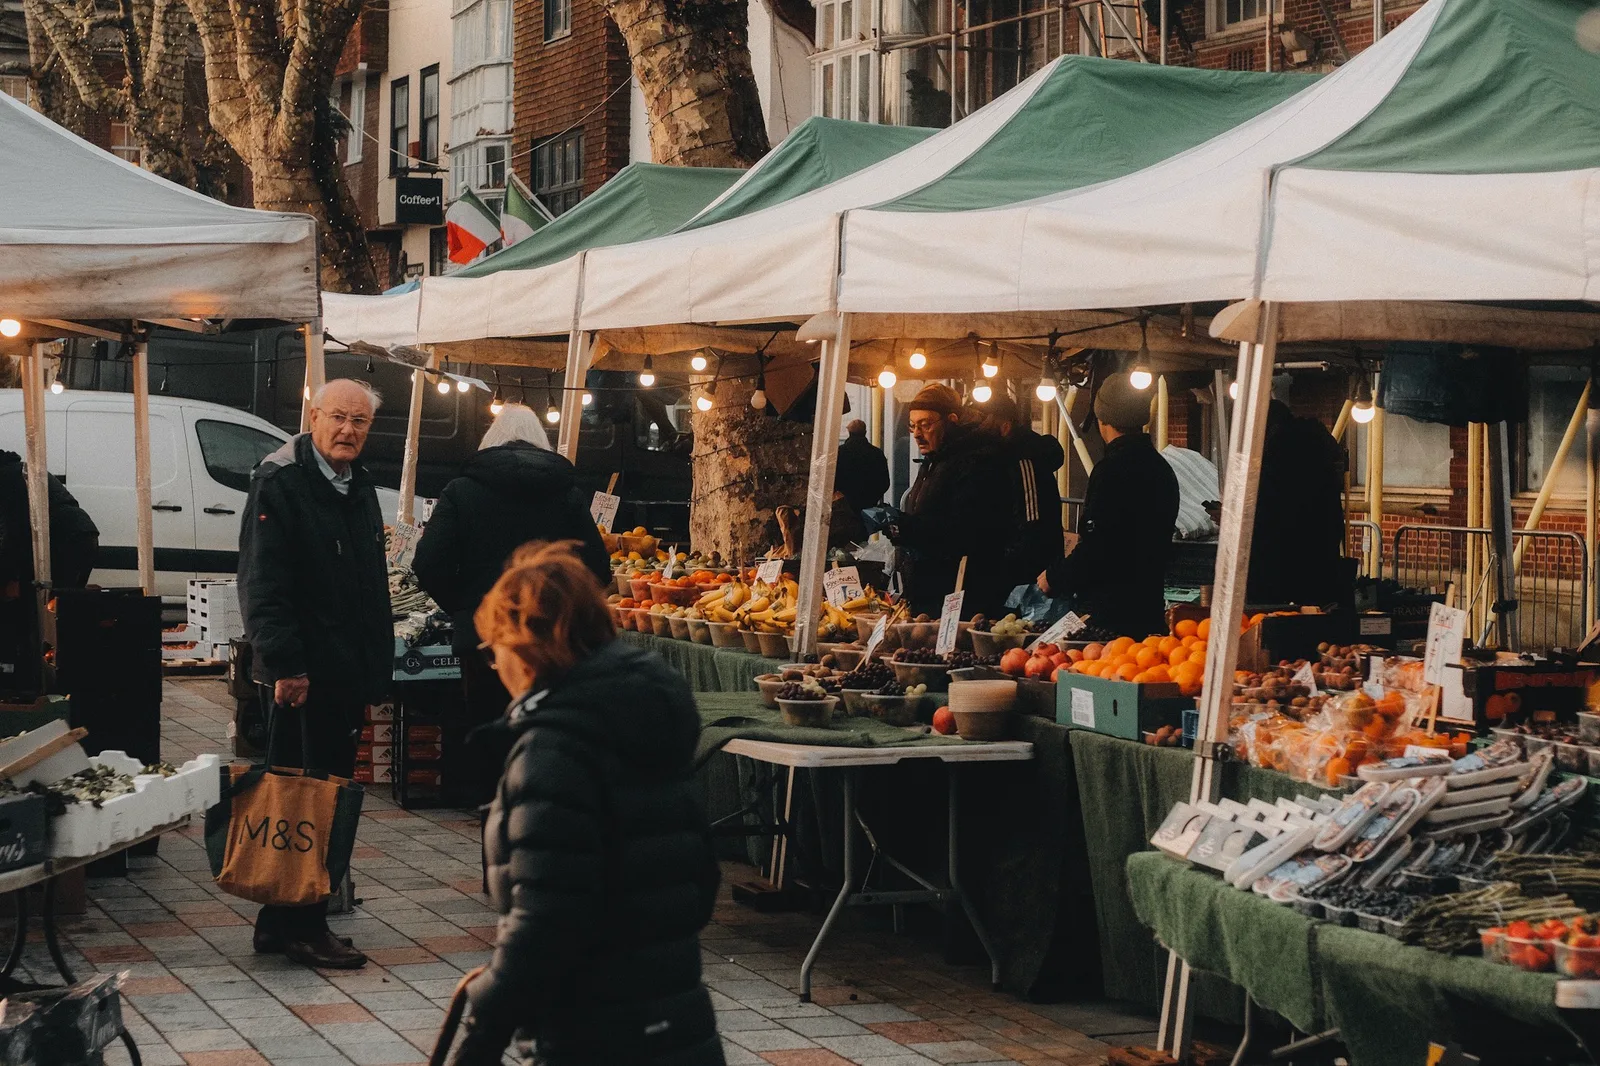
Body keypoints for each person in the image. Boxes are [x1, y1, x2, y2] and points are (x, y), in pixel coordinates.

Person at [450, 540, 724, 1066]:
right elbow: (700, 881)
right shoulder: (648, 719)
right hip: (677, 1024)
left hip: (591, 1034)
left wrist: (483, 1030)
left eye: (494, 649)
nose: (495, 665)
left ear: (527, 643)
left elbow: (545, 922)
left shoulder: (555, 749)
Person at [237, 379, 392, 970]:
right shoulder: (281, 482)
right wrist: (286, 665)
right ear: (313, 416)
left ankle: (280, 924)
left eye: (360, 421)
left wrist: (376, 666)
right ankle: (305, 924)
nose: (349, 430)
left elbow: (369, 586)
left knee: (318, 799)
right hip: (305, 676)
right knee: (307, 805)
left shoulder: (356, 485)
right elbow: (264, 585)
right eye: (339, 418)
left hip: (346, 671)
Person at [412, 404, 610, 806]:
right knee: (544, 723)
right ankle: (537, 802)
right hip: (551, 635)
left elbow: (427, 562)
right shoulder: (567, 495)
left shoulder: (462, 491)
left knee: (486, 721)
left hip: (484, 636)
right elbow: (598, 568)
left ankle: (491, 806)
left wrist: (467, 608)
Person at [1037, 373, 1178, 638]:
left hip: (1109, 618)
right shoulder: (1162, 468)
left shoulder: (1110, 471)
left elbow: (1098, 548)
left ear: (1103, 419)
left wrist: (1055, 577)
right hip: (1148, 610)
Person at [889, 384, 1012, 618]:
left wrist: (906, 527)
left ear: (951, 420)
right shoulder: (934, 460)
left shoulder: (975, 461)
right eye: (912, 425)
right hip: (931, 588)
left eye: (926, 424)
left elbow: (964, 531)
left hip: (960, 591)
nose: (916, 433)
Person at [1249, 399, 1350, 608]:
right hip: (1321, 552)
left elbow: (1272, 511)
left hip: (1283, 561)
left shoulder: (1278, 453)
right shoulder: (1318, 444)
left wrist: (1241, 515)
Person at [982, 396, 1066, 597]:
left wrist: (1004, 562)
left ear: (1005, 427)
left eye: (984, 424)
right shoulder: (1004, 460)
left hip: (1027, 578)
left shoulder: (1022, 461)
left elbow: (1032, 523)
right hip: (1015, 569)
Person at [0, 450, 100, 590]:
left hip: (62, 540)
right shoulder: (21, 469)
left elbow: (14, 531)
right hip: (83, 534)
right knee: (65, 601)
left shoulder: (5, 478)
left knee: (43, 600)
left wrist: (7, 577)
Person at [834, 419, 890, 513]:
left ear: (849, 432)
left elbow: (834, 479)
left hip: (844, 508)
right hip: (869, 507)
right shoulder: (877, 453)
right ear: (865, 432)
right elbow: (885, 482)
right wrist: (873, 497)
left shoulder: (840, 453)